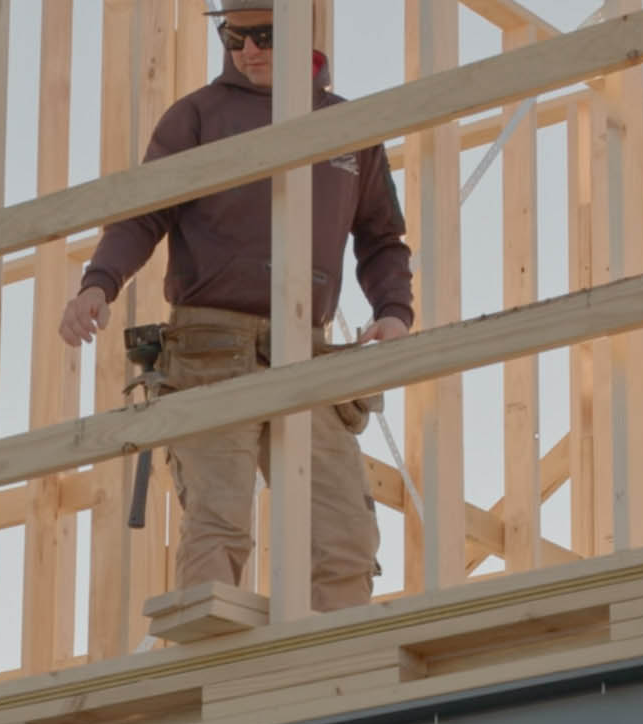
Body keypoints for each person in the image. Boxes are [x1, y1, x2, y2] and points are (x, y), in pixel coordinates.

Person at [60, 4, 415, 613]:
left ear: (302, 34)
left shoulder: (347, 128)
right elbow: (145, 213)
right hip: (209, 347)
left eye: (264, 36)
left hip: (306, 348)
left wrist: (395, 310)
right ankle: (215, 673)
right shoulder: (199, 116)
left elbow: (382, 238)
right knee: (218, 523)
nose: (247, 50)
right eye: (233, 36)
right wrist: (99, 283)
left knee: (344, 536)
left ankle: (339, 673)